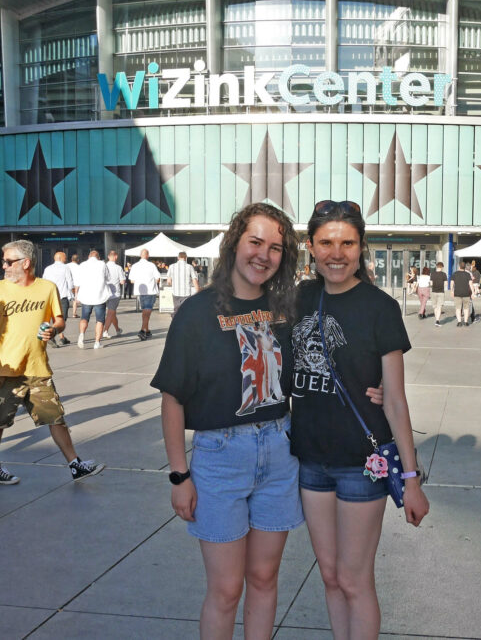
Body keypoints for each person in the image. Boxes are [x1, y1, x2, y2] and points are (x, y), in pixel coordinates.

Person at [153, 203, 304, 640]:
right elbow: (172, 398)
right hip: (219, 460)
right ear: (235, 243)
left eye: (275, 247)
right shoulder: (198, 312)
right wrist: (180, 475)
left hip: (279, 453)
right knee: (224, 589)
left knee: (263, 579)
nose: (264, 255)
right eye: (255, 242)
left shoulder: (286, 310)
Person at [291, 200, 429, 639]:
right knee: (330, 576)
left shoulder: (379, 307)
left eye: (347, 243)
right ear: (310, 246)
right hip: (310, 461)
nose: (337, 253)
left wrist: (410, 479)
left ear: (361, 246)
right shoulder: (297, 298)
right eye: (327, 242)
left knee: (353, 578)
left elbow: (396, 400)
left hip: (362, 465)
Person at [0, 240, 103, 485]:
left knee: (55, 416)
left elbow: (59, 320)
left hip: (37, 367)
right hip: (7, 369)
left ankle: (75, 464)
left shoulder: (47, 288)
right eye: (3, 261)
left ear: (25, 263)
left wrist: (54, 329)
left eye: (8, 261)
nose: (3, 266)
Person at [73, 249, 109, 350]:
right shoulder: (102, 264)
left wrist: (76, 295)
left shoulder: (83, 265)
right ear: (98, 257)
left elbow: (77, 282)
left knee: (84, 317)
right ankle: (97, 342)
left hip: (86, 296)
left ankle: (81, 335)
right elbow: (108, 278)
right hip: (99, 296)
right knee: (100, 320)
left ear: (89, 257)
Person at [42, 251, 74, 346]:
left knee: (54, 318)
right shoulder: (65, 268)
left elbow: (44, 281)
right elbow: (70, 282)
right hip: (62, 296)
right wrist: (72, 293)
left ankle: (62, 338)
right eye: (65, 257)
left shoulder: (48, 268)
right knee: (61, 319)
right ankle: (51, 334)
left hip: (50, 297)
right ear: (60, 258)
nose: (66, 259)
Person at [129, 249, 161, 340]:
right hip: (150, 290)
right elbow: (157, 278)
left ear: (140, 255)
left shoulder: (135, 266)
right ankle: (142, 330)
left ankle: (147, 330)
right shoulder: (151, 265)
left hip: (140, 291)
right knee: (147, 311)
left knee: (145, 312)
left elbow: (132, 280)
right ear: (147, 255)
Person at [102, 250, 125, 339]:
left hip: (104, 293)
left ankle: (117, 329)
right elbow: (122, 281)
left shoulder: (104, 267)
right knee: (111, 313)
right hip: (115, 294)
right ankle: (105, 331)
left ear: (108, 257)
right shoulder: (118, 268)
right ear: (116, 257)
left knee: (112, 313)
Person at [168, 251, 199, 316]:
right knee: (186, 310)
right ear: (186, 258)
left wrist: (172, 284)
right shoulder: (189, 267)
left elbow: (169, 281)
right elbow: (194, 279)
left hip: (176, 292)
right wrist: (198, 290)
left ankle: (175, 320)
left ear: (178, 257)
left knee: (176, 309)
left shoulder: (171, 266)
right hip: (186, 293)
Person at [451, 261, 475, 327]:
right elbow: (471, 284)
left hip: (457, 293)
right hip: (466, 293)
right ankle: (466, 322)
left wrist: (452, 291)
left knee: (458, 308)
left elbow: (452, 283)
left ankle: (459, 322)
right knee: (466, 308)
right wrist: (473, 293)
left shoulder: (455, 274)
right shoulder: (467, 274)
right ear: (465, 267)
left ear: (459, 266)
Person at [429, 261, 447, 326]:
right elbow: (445, 283)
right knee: (439, 307)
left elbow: (431, 283)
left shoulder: (432, 274)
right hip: (441, 292)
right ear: (442, 267)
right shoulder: (444, 274)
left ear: (436, 266)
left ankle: (436, 319)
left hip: (433, 291)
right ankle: (437, 320)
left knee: (435, 307)